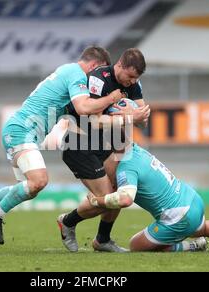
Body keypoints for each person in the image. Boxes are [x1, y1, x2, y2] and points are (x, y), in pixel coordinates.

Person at [0, 46, 125, 245]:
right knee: (38, 181)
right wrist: (111, 98)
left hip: (20, 130)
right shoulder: (77, 74)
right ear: (94, 65)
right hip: (21, 131)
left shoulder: (66, 72)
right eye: (99, 72)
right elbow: (84, 108)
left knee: (29, 188)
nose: (98, 79)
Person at [86, 143, 209, 252]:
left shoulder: (126, 168)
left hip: (178, 215)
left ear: (113, 157)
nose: (103, 170)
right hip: (191, 198)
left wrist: (96, 201)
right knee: (203, 227)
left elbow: (125, 200)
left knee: (135, 245)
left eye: (103, 164)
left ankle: (192, 247)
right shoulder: (136, 150)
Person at [57, 48, 150, 252]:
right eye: (131, 76)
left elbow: (142, 120)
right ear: (120, 65)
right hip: (78, 143)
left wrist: (139, 116)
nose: (132, 82)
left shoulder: (134, 84)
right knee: (108, 199)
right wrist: (128, 117)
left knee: (118, 191)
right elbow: (94, 121)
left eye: (137, 78)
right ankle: (68, 222)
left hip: (103, 142)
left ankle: (102, 240)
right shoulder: (98, 79)